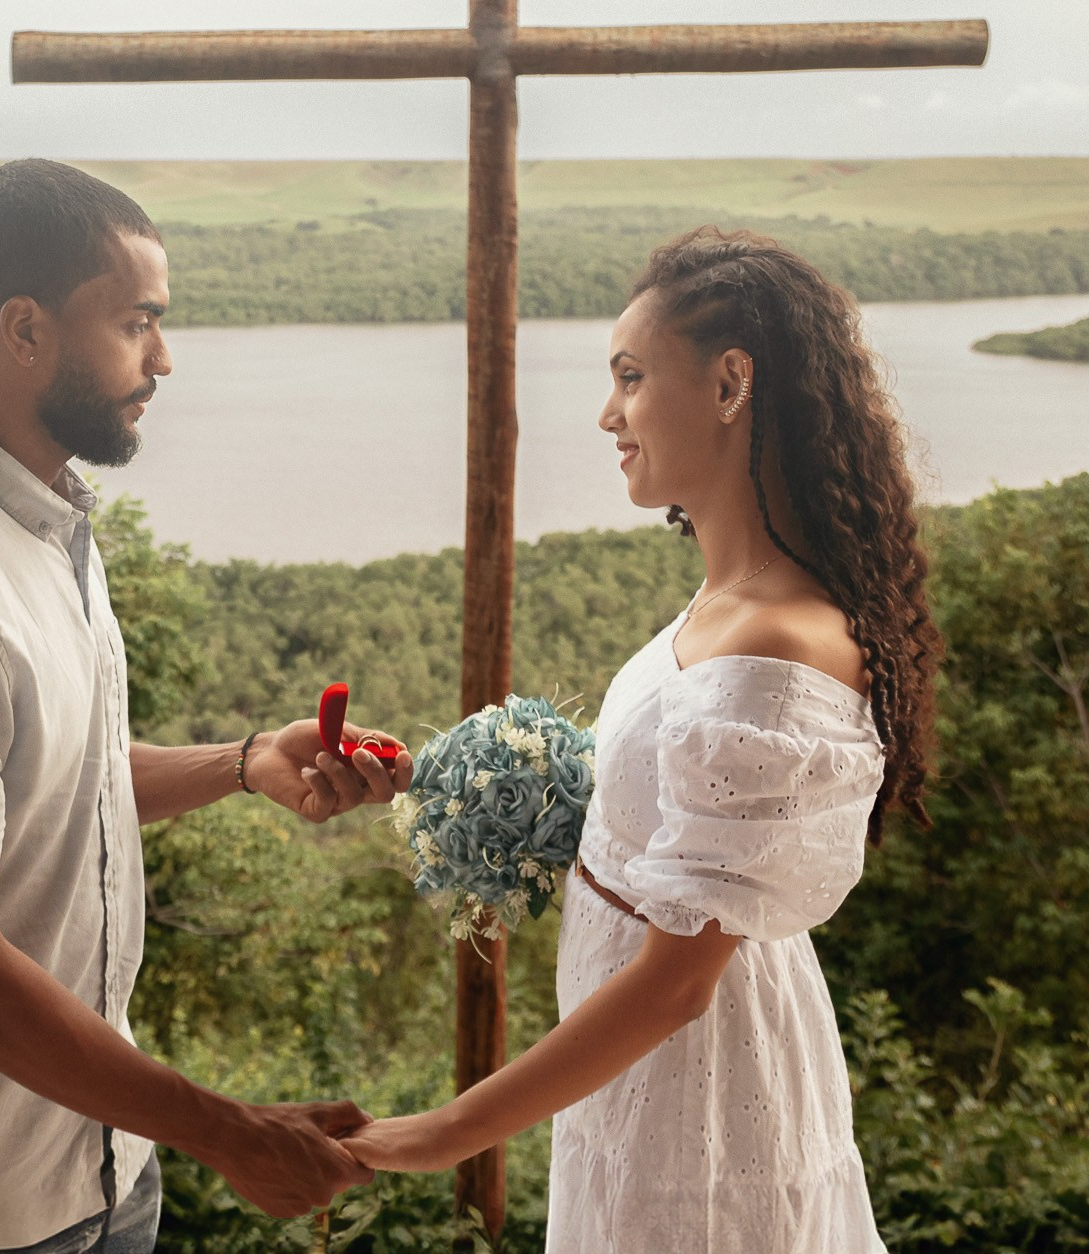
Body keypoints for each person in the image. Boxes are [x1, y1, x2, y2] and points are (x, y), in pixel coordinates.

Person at [0, 158, 410, 1254]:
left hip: (95, 1175)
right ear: (25, 331)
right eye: (137, 324)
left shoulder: (38, 524)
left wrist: (243, 760)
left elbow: (46, 784)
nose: (162, 360)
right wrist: (230, 1133)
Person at [346, 227, 941, 1254]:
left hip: (697, 1102)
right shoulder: (727, 600)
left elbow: (675, 983)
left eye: (629, 376)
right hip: (641, 1086)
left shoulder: (772, 644)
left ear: (727, 384)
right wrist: (440, 782)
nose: (606, 413)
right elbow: (654, 810)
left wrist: (441, 1134)